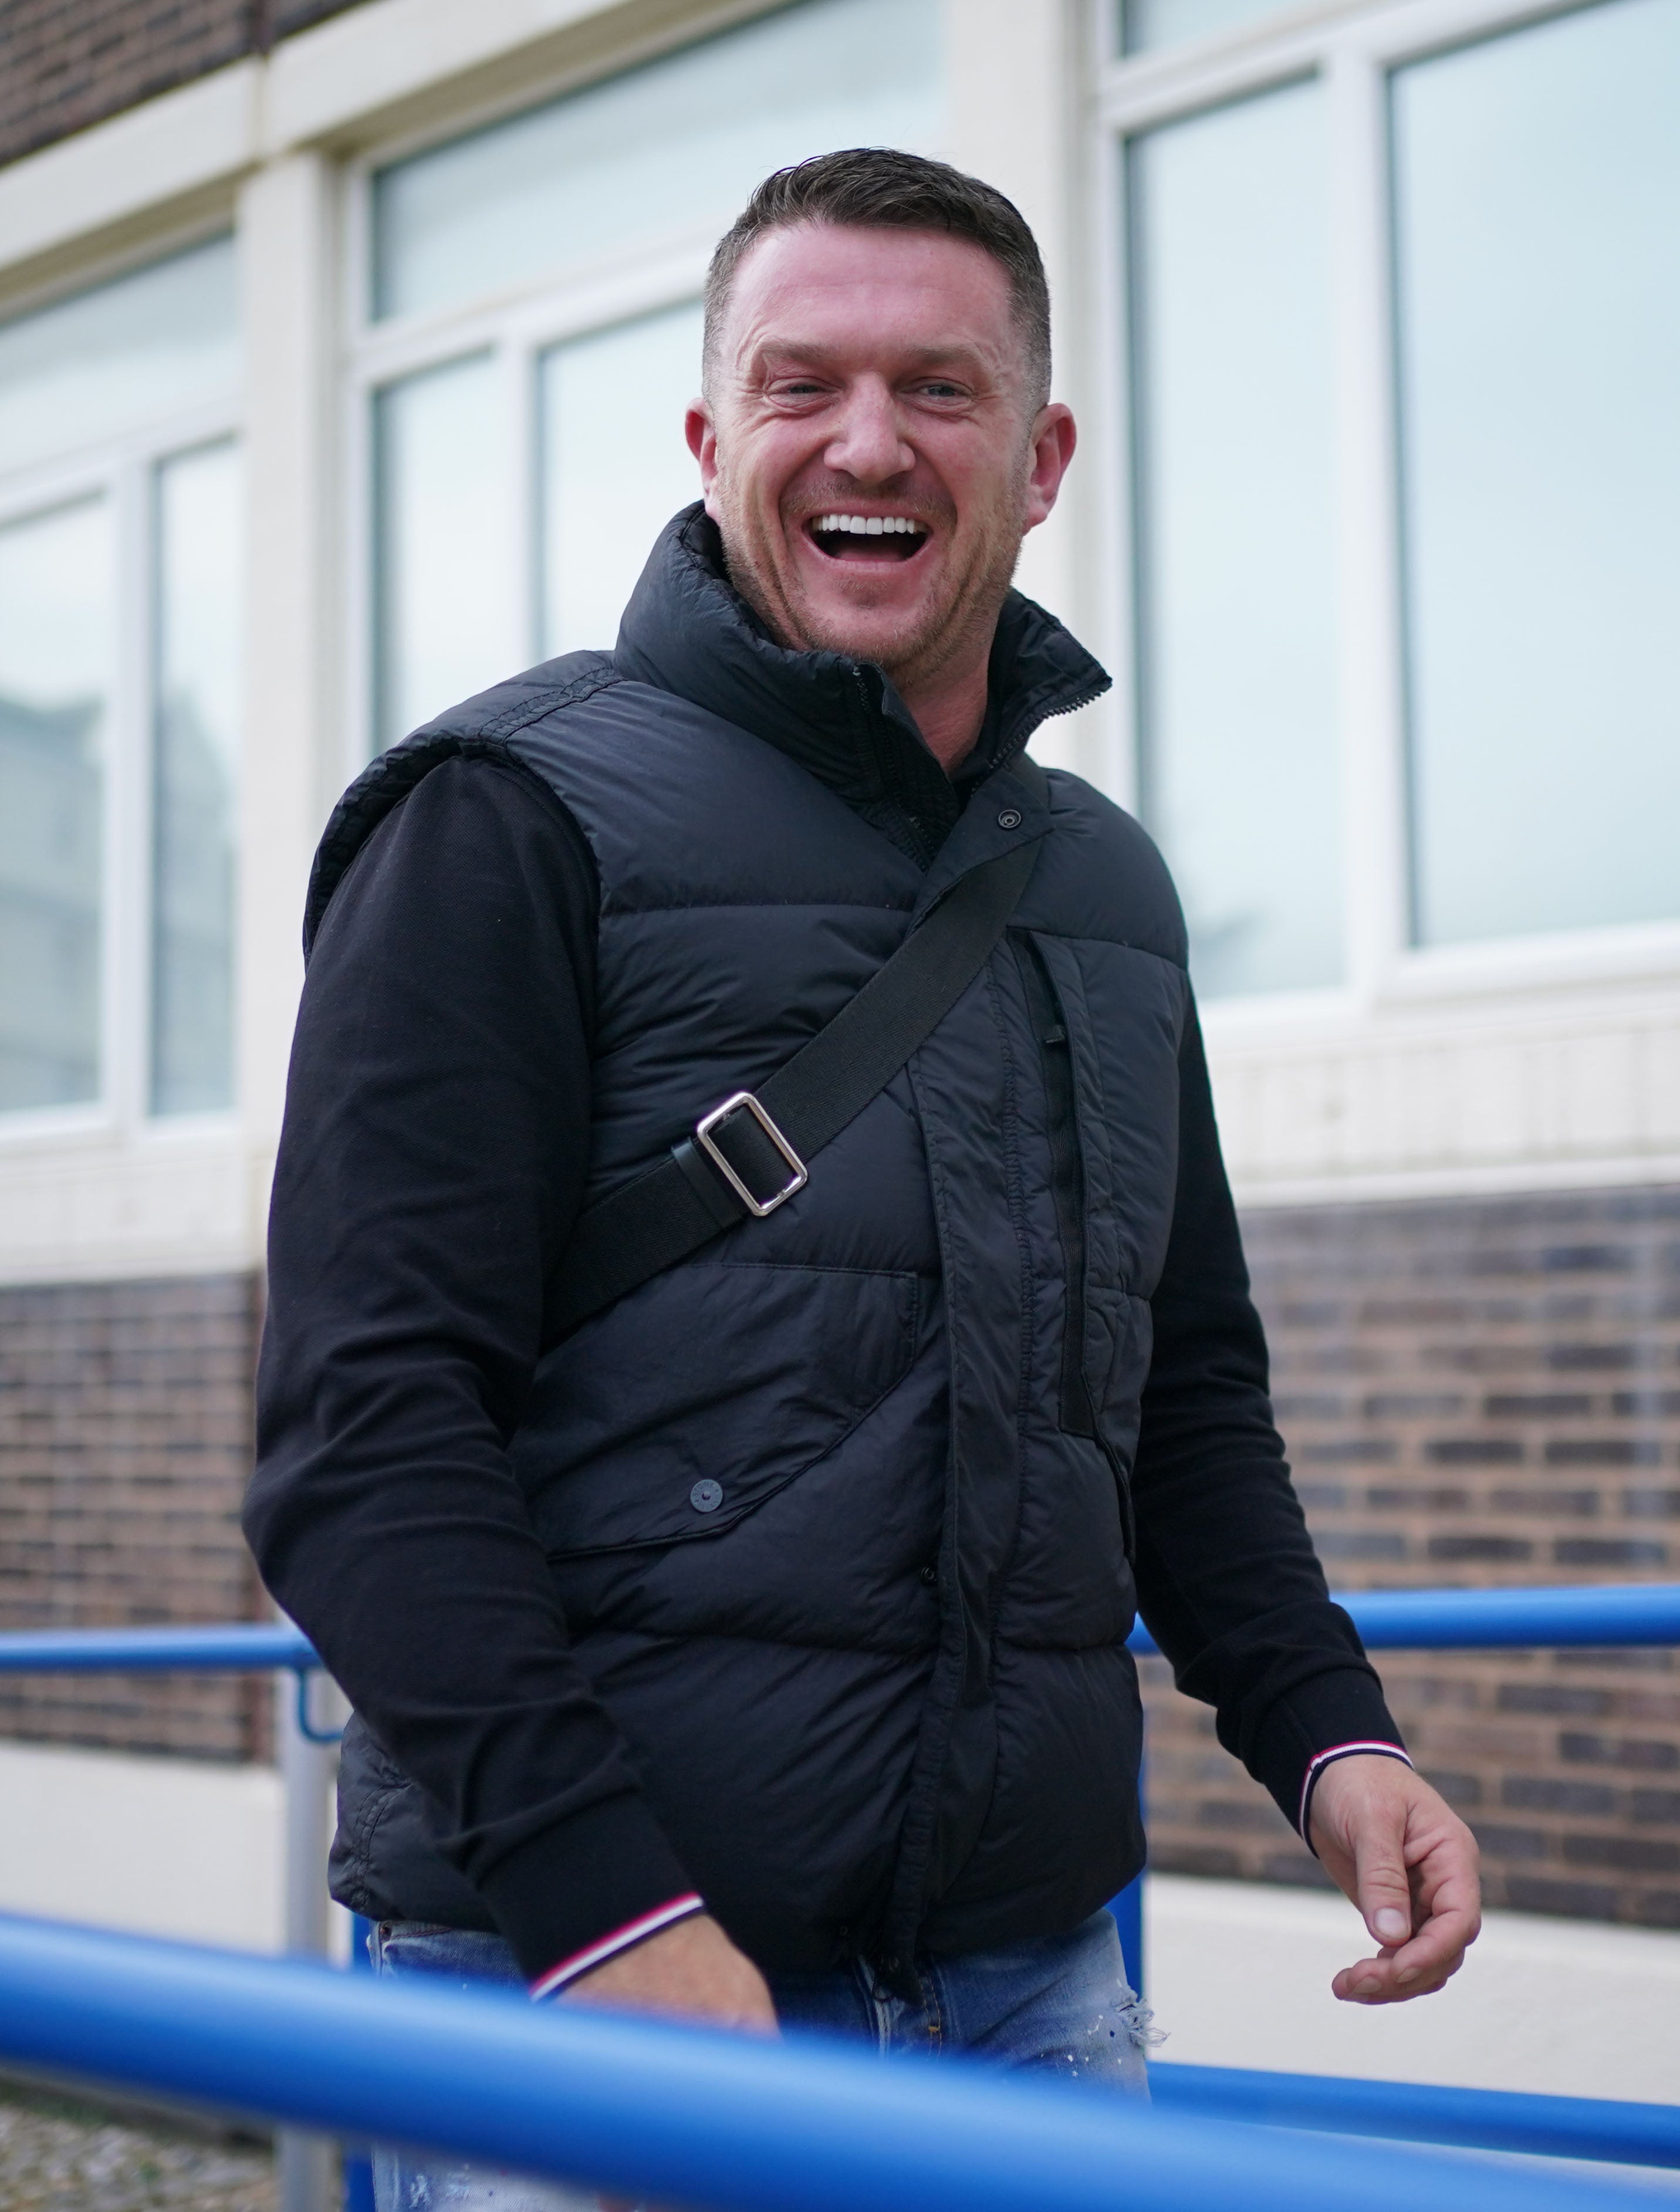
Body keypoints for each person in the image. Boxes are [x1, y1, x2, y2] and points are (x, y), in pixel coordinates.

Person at [244, 148, 1479, 2209]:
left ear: (1045, 449)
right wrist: (605, 1909)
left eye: (942, 385)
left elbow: (1177, 1393)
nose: (869, 441)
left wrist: (1332, 1736)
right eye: (803, 384)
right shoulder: (498, 823)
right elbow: (361, 1438)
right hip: (595, 1988)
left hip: (1027, 1993)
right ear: (715, 432)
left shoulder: (1104, 887)